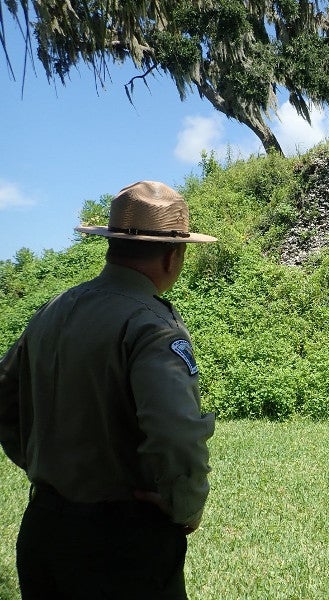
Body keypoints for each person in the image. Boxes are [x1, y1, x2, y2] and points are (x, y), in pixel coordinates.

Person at [0, 181, 217, 599]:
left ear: (110, 245)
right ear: (174, 256)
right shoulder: (152, 327)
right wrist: (184, 503)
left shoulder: (52, 310)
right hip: (121, 544)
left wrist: (40, 464)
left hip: (43, 529)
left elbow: (4, 396)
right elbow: (175, 430)